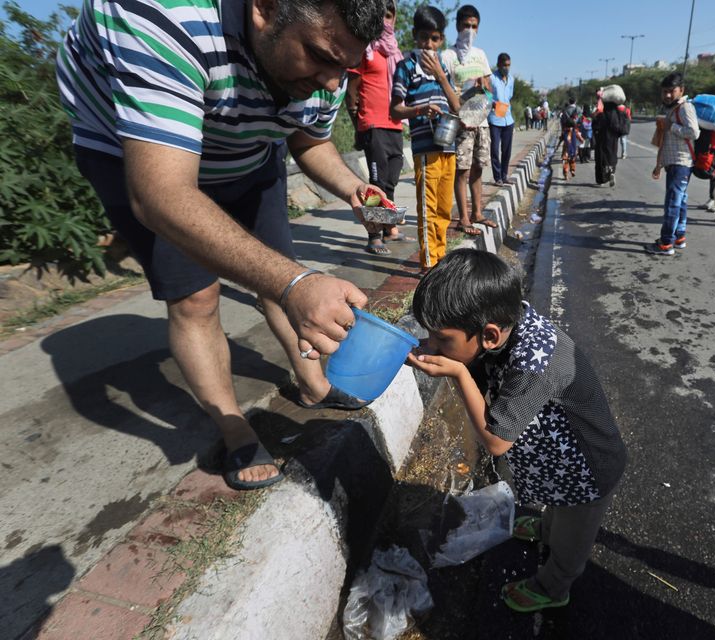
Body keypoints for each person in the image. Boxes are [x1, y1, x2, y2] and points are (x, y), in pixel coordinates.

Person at [58, 0, 390, 490]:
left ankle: (313, 384)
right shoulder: (162, 14)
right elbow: (162, 195)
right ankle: (234, 428)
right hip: (146, 154)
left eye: (345, 68)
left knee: (280, 267)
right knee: (196, 298)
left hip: (247, 146)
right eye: (320, 58)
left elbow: (309, 139)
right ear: (264, 8)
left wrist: (353, 190)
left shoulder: (326, 64)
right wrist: (294, 283)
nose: (332, 83)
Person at [407, 249, 627, 614]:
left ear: (489, 335)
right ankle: (545, 530)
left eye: (442, 339)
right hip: (561, 460)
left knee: (572, 537)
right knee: (557, 506)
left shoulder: (533, 362)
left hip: (589, 470)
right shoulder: (507, 319)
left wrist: (459, 373)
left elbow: (495, 441)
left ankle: (553, 586)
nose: (432, 345)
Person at [391, 5, 461, 275]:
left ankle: (440, 256)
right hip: (425, 148)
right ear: (414, 36)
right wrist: (420, 110)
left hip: (448, 145)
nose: (428, 44)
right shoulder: (406, 66)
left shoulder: (443, 65)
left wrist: (441, 77)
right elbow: (394, 110)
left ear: (441, 39)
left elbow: (456, 106)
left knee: (444, 207)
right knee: (428, 209)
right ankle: (429, 263)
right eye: (423, 38)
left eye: (434, 39)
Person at [346, 1, 411, 255]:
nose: (386, 18)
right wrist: (358, 126)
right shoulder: (365, 49)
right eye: (381, 12)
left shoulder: (395, 52)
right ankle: (373, 235)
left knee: (392, 181)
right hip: (372, 124)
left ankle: (390, 229)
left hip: (394, 124)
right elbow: (351, 92)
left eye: (390, 13)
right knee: (376, 183)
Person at [440, 5, 496, 238]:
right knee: (461, 171)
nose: (470, 30)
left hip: (481, 121)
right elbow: (444, 90)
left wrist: (484, 87)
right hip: (462, 122)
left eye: (474, 26)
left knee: (477, 169)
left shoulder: (480, 55)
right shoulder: (448, 56)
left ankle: (478, 213)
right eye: (466, 26)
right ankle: (463, 217)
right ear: (457, 26)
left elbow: (490, 90)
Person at [646, 72, 699, 257]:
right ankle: (679, 237)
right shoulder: (671, 109)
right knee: (680, 201)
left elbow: (694, 132)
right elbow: (665, 141)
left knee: (672, 204)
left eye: (671, 91)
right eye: (664, 91)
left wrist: (672, 127)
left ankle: (666, 243)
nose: (667, 95)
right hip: (674, 163)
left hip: (681, 163)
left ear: (681, 90)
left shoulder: (685, 107)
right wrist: (659, 165)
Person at [591, 89, 630, 187]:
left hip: (601, 138)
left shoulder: (601, 113)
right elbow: (621, 126)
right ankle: (612, 171)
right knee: (612, 155)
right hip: (613, 139)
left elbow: (595, 125)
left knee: (600, 158)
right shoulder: (617, 113)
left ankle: (601, 180)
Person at [488, 53, 516, 187]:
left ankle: (505, 175)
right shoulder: (491, 78)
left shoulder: (511, 79)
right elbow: (485, 95)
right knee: (495, 149)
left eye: (508, 65)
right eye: (504, 65)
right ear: (498, 64)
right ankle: (497, 177)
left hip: (508, 119)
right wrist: (493, 103)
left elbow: (509, 96)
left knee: (507, 150)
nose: (506, 68)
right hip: (494, 119)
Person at [560, 116, 584, 180]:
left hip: (566, 149)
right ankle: (572, 170)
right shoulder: (575, 130)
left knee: (566, 162)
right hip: (573, 149)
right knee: (572, 161)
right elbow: (579, 137)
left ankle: (566, 174)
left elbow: (561, 139)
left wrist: (557, 145)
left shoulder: (564, 131)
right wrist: (582, 140)